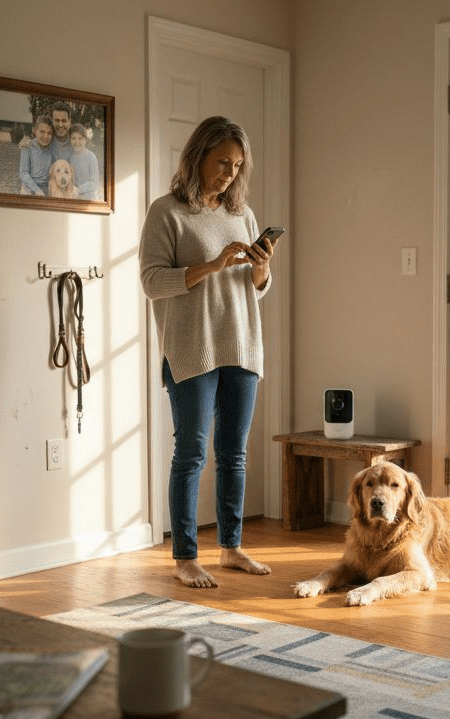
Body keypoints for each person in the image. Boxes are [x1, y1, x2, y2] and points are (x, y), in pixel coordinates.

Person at [139, 115, 277, 589]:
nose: (230, 174)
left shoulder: (243, 214)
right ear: (197, 157)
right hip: (191, 348)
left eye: (237, 166)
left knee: (234, 454)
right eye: (222, 163)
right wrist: (213, 264)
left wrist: (259, 271)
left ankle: (232, 548)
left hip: (241, 345)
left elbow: (253, 290)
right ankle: (184, 557)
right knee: (191, 453)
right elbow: (152, 282)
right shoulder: (167, 212)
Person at [18, 115, 54, 195]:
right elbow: (24, 173)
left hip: (46, 188)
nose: (45, 136)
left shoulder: (53, 148)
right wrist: (37, 190)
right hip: (29, 187)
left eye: (49, 133)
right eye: (42, 131)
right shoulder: (27, 146)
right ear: (35, 130)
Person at [67, 123, 101, 200]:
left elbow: (94, 183)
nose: (77, 142)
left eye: (80, 138)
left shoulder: (91, 157)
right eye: (74, 138)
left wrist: (78, 189)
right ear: (70, 140)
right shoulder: (70, 158)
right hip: (74, 197)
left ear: (85, 140)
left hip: (88, 198)